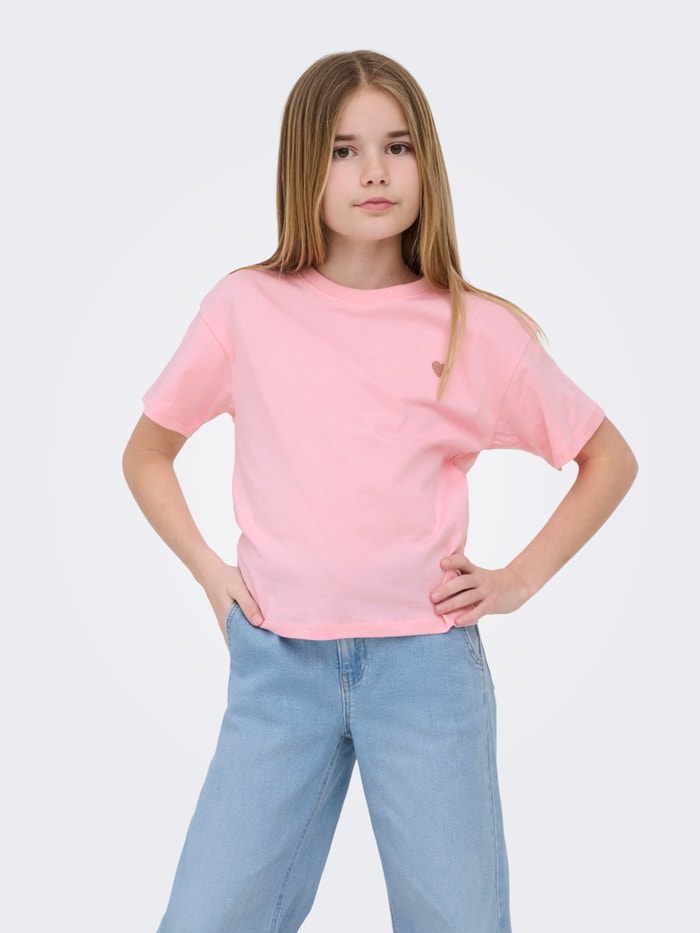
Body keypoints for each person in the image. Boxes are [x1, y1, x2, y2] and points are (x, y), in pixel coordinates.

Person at [122, 49, 637, 933]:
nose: (374, 172)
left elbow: (608, 458)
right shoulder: (244, 309)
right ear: (303, 166)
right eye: (343, 149)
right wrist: (211, 572)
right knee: (206, 916)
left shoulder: (476, 328)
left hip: (426, 670)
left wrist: (516, 581)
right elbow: (147, 452)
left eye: (397, 146)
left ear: (425, 162)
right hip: (278, 666)